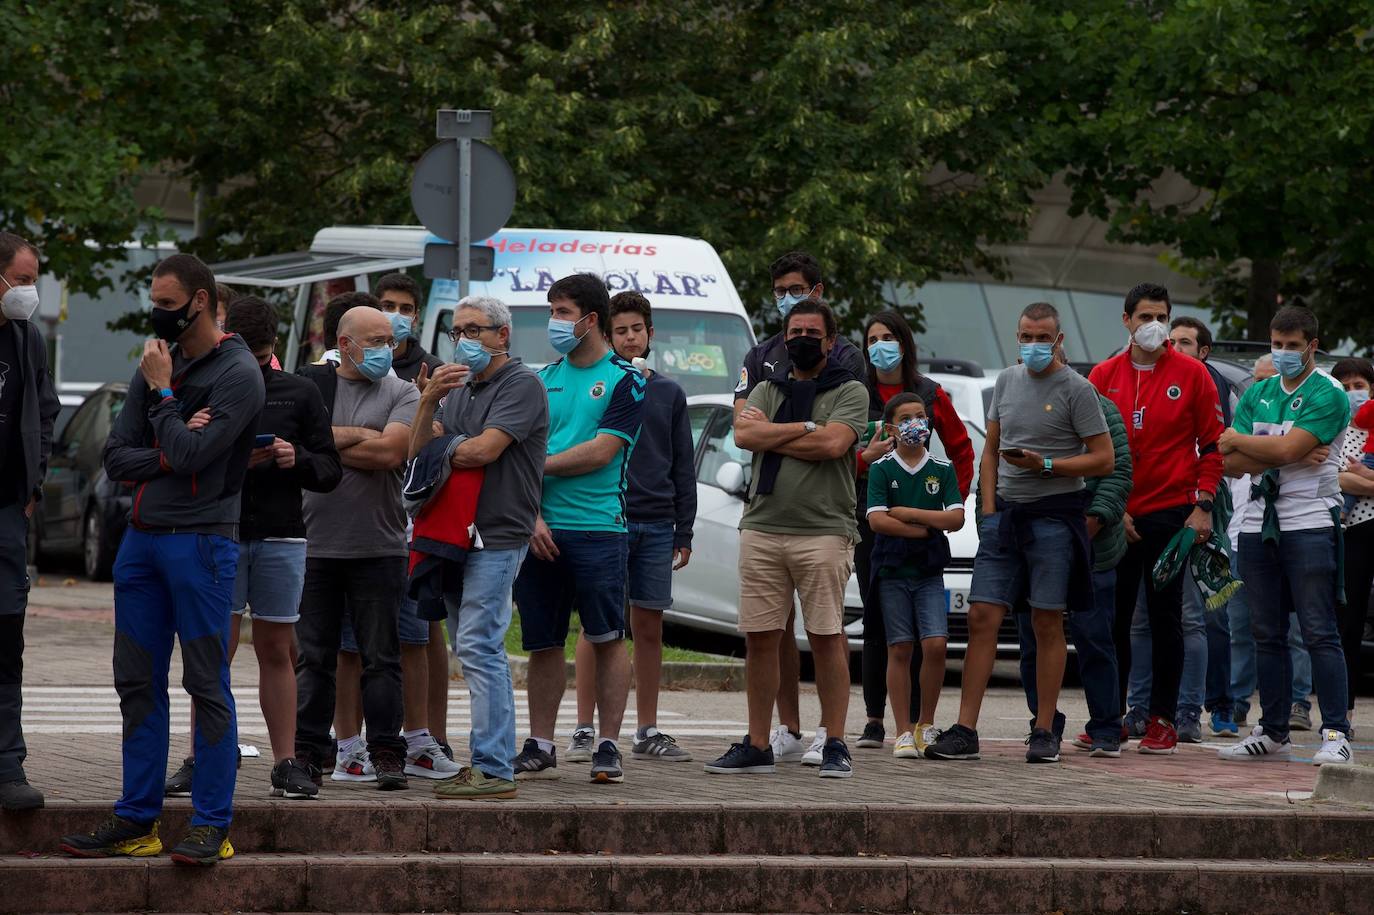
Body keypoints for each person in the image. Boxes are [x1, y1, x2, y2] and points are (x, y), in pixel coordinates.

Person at [61, 254, 265, 864]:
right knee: (136, 684)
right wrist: (174, 442)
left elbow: (198, 455)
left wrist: (165, 397)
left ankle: (210, 823)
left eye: (169, 304)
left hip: (202, 542)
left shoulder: (235, 372)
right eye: (156, 301)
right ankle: (136, 818)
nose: (159, 313)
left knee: (206, 682)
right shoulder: (157, 361)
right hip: (143, 543)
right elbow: (117, 459)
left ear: (200, 301)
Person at [162, 296, 341, 801]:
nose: (252, 366)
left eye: (259, 357)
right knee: (213, 649)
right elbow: (180, 458)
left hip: (280, 532)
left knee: (274, 649)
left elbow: (329, 470)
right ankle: (203, 757)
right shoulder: (204, 385)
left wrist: (294, 456)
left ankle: (286, 762)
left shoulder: (299, 393)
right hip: (221, 529)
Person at [926, 302, 1112, 764]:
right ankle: (966, 729)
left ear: (1059, 339)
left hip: (1054, 517)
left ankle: (1045, 729)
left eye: (1042, 337)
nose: (1033, 345)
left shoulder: (1077, 389)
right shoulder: (1006, 382)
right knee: (982, 617)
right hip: (1004, 518)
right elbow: (990, 450)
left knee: (1046, 620)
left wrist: (1047, 465)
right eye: (1026, 336)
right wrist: (986, 511)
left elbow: (1104, 458)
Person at [705, 298, 868, 778]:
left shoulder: (850, 390)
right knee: (761, 638)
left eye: (811, 333)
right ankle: (758, 743)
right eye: (794, 331)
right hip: (762, 526)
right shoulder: (766, 386)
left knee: (825, 638)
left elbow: (835, 444)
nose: (801, 339)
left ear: (830, 341)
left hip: (824, 530)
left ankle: (834, 740)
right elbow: (743, 436)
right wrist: (805, 427)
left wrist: (775, 432)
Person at [411, 294, 549, 799]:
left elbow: (484, 451)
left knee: (479, 645)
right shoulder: (459, 387)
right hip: (452, 533)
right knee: (465, 646)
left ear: (502, 335)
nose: (464, 340)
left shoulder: (523, 384)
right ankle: (486, 762)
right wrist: (427, 403)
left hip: (498, 531)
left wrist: (442, 446)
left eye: (475, 330)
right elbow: (416, 450)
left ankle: (493, 767)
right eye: (457, 332)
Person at [511, 273, 644, 784]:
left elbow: (603, 450)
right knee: (543, 643)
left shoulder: (625, 379)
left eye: (562, 312)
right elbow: (517, 454)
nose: (554, 322)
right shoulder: (541, 379)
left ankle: (607, 745)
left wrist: (538, 465)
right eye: (552, 311)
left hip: (599, 529)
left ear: (591, 319)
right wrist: (533, 515)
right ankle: (539, 743)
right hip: (541, 530)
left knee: (607, 637)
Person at [1088, 283, 1223, 755]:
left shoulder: (1192, 374)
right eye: (1145, 316)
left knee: (1166, 618)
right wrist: (1112, 506)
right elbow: (1089, 447)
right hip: (1117, 512)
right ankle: (1111, 717)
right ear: (1126, 320)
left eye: (1161, 316)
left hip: (1172, 512)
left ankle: (1164, 718)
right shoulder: (1102, 375)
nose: (1154, 325)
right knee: (1114, 619)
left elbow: (1213, 444)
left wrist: (1202, 505)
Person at [1218, 306, 1353, 765]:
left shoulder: (1329, 392)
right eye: (1277, 345)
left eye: (1292, 347)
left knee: (1318, 631)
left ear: (1312, 346)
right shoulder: (1258, 391)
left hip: (1309, 521)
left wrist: (1254, 444)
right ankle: (1272, 730)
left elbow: (1284, 447)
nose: (1283, 354)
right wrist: (1277, 449)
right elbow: (1228, 460)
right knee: (1265, 633)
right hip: (1257, 522)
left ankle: (1336, 731)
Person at [293, 302, 419, 790]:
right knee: (315, 660)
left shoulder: (403, 391)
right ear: (345, 345)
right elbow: (296, 449)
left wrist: (328, 444)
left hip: (379, 546)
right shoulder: (312, 390)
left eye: (391, 340)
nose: (389, 349)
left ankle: (388, 752)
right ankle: (307, 753)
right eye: (377, 341)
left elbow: (391, 452)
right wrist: (354, 435)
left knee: (381, 659)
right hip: (316, 545)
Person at [570, 292, 697, 763]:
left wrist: (684, 530)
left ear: (650, 332)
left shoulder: (668, 392)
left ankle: (647, 729)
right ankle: (585, 728)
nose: (629, 337)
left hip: (656, 521)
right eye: (619, 330)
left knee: (648, 624)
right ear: (606, 334)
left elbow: (683, 466)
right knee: (597, 626)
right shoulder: (598, 384)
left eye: (636, 329)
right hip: (604, 520)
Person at [853, 310, 974, 754]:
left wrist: (950, 495)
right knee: (878, 622)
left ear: (904, 342)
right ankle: (874, 719)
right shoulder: (856, 390)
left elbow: (961, 448)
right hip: (873, 516)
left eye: (888, 337)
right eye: (872, 338)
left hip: (922, 530)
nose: (880, 345)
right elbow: (842, 454)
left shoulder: (930, 393)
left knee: (928, 635)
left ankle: (922, 720)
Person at [1013, 348, 1132, 757]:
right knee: (1031, 639)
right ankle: (1044, 725)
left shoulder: (1099, 405)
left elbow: (1116, 473)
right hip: (1029, 542)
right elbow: (993, 467)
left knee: (1094, 638)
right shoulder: (1013, 402)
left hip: (1090, 545)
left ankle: (1105, 726)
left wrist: (1089, 524)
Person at [864, 393, 964, 759]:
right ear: (891, 426)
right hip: (892, 569)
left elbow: (955, 518)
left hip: (928, 570)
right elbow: (877, 519)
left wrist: (909, 513)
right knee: (900, 647)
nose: (914, 424)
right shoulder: (882, 468)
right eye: (905, 418)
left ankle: (926, 723)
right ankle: (902, 729)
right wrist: (921, 528)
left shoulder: (941, 467)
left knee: (935, 644)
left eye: (920, 416)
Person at [0, 232, 60, 812]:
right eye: (20, 280)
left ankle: (7, 765)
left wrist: (32, 487)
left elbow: (45, 409)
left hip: (6, 514)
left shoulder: (25, 339)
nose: (29, 292)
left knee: (5, 639)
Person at [1230, 353, 1277, 729]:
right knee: (1240, 628)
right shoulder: (1246, 413)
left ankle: (1292, 704)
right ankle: (1237, 701)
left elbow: (1291, 451)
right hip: (1240, 537)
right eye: (1256, 380)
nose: (1260, 387)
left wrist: (1251, 450)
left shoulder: (1298, 416)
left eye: (1268, 379)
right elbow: (1227, 458)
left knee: (1289, 631)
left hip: (1286, 536)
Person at [1331, 357, 1374, 736]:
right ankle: (1340, 714)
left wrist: (1356, 478)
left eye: (1358, 385)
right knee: (1349, 621)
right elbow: (1336, 478)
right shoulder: (1332, 428)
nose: (1352, 393)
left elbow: (1350, 477)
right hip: (1353, 531)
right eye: (1344, 386)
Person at [376, 273, 443, 385]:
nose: (396, 314)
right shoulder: (359, 361)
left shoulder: (433, 371)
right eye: (388, 306)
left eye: (405, 309)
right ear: (374, 310)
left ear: (415, 319)